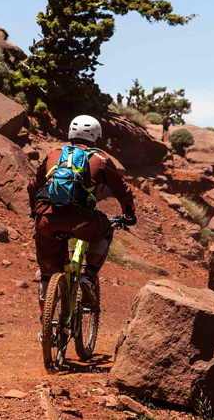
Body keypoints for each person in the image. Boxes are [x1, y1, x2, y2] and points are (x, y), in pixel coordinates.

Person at [27, 115, 136, 307]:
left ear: (70, 133)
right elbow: (122, 191)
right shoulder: (101, 158)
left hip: (47, 219)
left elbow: (33, 186)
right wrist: (129, 215)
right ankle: (89, 276)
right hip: (82, 220)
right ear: (96, 136)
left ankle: (46, 321)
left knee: (46, 272)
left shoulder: (54, 154)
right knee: (105, 230)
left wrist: (34, 211)